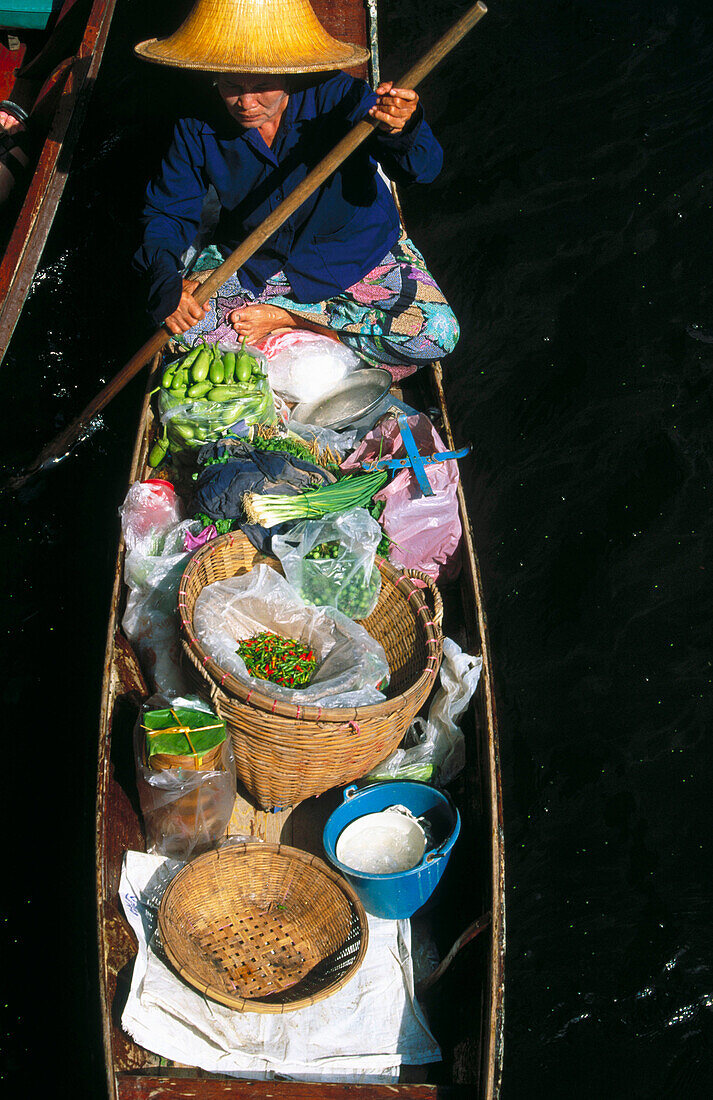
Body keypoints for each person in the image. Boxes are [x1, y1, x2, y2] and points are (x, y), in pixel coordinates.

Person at [132, 0, 460, 371]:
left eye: (263, 86)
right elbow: (168, 211)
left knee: (437, 333)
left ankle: (295, 322)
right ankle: (332, 336)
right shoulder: (194, 122)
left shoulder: (341, 95)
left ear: (288, 73)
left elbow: (422, 170)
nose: (246, 103)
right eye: (230, 85)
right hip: (257, 258)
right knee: (178, 328)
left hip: (353, 253)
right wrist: (165, 280)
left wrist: (401, 127)